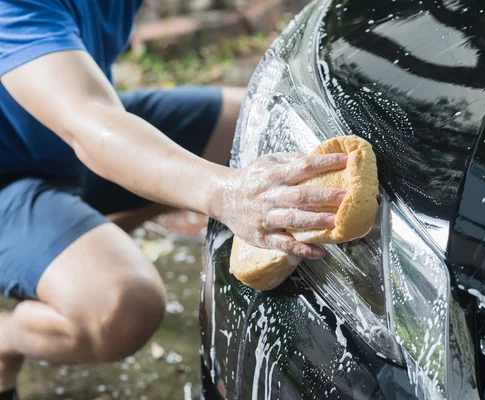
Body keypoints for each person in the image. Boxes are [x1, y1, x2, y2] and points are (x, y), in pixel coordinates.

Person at [0, 1, 348, 398]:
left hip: (57, 133)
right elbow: (90, 124)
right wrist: (226, 192)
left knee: (261, 118)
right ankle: (7, 339)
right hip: (31, 163)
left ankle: (78, 248)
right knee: (122, 307)